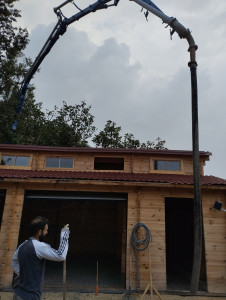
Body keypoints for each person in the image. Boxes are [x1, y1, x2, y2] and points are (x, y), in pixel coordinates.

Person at [11, 216, 70, 300]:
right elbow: (60, 255)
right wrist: (64, 234)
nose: (47, 232)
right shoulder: (39, 246)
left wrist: (25, 275)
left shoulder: (22, 245)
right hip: (31, 295)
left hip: (18, 293)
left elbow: (13, 262)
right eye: (45, 230)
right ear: (39, 232)